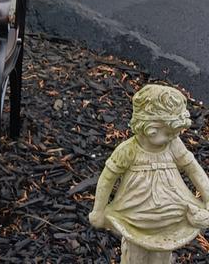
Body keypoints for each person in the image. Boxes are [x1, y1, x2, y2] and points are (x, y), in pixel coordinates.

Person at [90, 84, 209, 264]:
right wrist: (98, 211)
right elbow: (108, 178)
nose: (173, 137)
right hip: (136, 215)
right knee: (135, 256)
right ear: (149, 128)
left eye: (176, 133)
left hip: (170, 214)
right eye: (169, 132)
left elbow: (193, 169)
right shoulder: (129, 150)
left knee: (162, 255)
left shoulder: (174, 145)